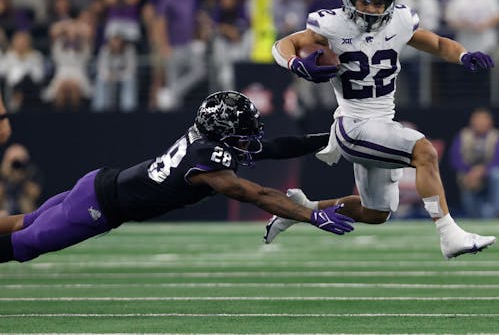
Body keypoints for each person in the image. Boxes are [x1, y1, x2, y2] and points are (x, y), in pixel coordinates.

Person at [268, 0, 497, 259]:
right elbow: (282, 44)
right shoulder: (332, 24)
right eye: (366, 1)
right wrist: (296, 63)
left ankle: (301, 209)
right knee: (424, 151)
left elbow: (438, 43)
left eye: (380, 3)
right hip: (353, 124)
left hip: (381, 124)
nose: (374, 9)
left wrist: (463, 55)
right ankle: (449, 234)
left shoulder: (400, 20)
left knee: (375, 212)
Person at [0, 91, 354, 263]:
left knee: (22, 224)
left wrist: (333, 137)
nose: (251, 137)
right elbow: (257, 194)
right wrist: (311, 214)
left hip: (98, 184)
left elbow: (275, 147)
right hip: (99, 206)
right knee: (26, 246)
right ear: (224, 131)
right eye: (244, 130)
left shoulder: (208, 140)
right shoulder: (208, 164)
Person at [448, 108, 499, 218]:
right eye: (477, 119)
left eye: (483, 119)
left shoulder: (496, 136)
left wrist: (482, 170)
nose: (479, 122)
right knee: (475, 213)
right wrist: (470, 171)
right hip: (469, 174)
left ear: (490, 122)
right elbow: (455, 159)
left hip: (488, 173)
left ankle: (495, 211)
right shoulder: (463, 135)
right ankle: (476, 213)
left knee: (498, 174)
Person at [0, 144, 42, 216]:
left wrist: (23, 178)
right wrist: (7, 175)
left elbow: (35, 194)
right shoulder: (2, 174)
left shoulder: (31, 172)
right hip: (5, 209)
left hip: (26, 210)